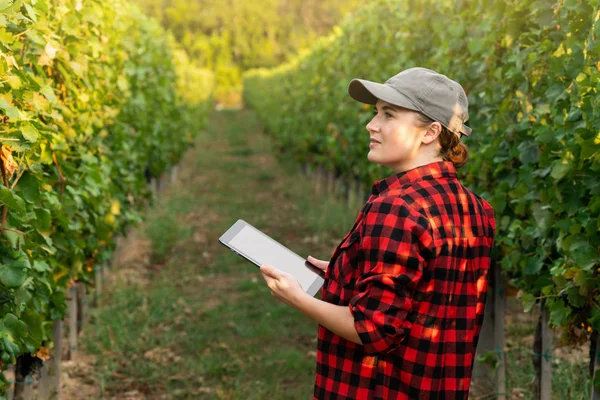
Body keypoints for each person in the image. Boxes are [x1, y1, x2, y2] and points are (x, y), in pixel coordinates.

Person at [260, 67, 496, 399]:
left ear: (429, 132)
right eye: (375, 114)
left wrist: (298, 299)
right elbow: (427, 292)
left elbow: (375, 329)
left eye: (389, 115)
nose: (371, 125)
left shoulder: (397, 208)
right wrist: (351, 272)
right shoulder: (476, 209)